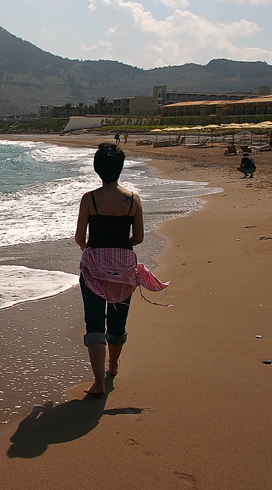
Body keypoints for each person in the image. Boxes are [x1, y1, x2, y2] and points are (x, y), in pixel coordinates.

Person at [74, 143, 168, 396]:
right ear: (120, 168)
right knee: (117, 319)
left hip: (94, 265)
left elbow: (79, 237)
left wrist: (92, 249)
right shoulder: (132, 200)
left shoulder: (89, 199)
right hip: (124, 265)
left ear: (97, 169)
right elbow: (138, 238)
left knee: (94, 321)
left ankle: (99, 384)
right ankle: (113, 366)